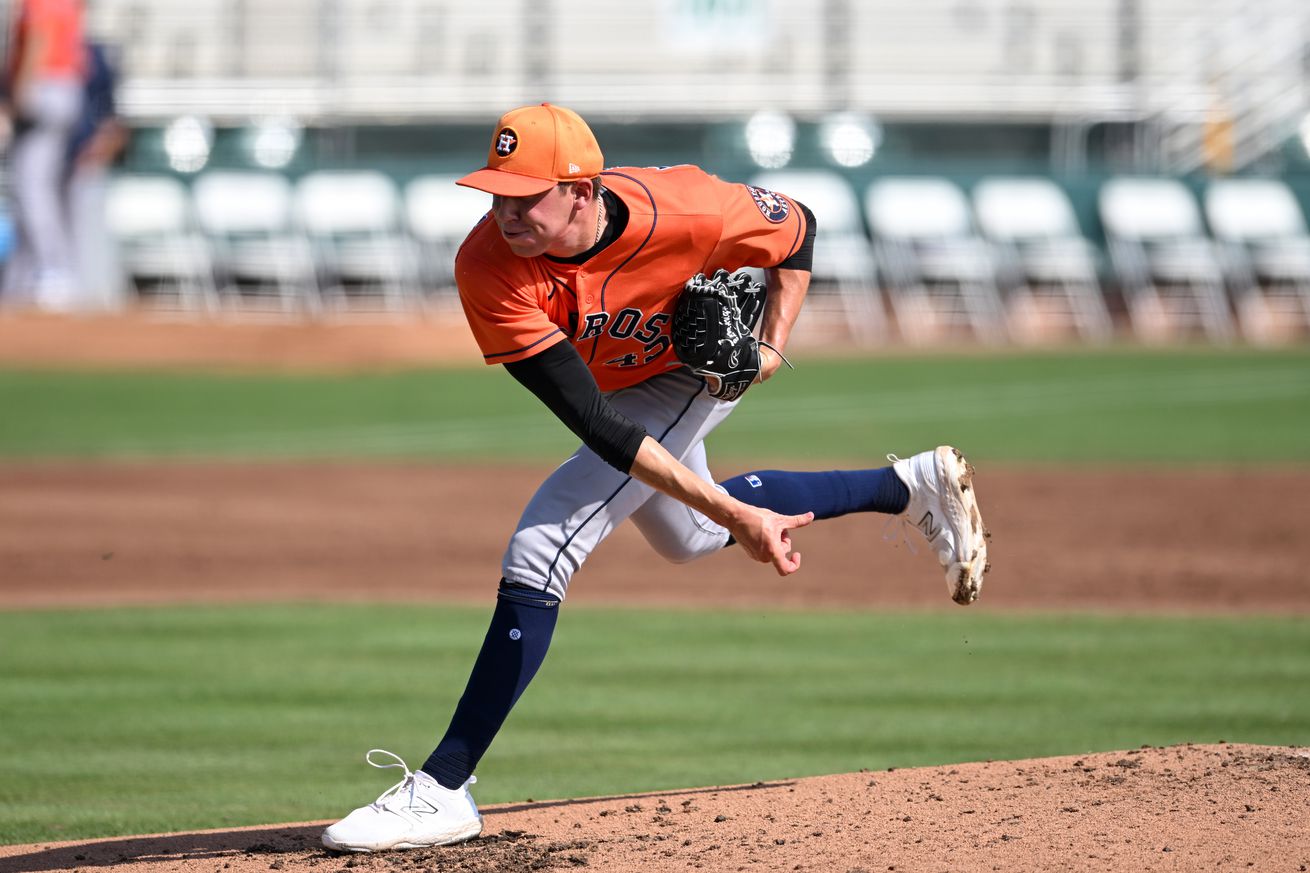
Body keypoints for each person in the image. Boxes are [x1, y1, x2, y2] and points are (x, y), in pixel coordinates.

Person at [321, 103, 990, 853]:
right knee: (693, 531)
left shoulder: (689, 208)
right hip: (614, 403)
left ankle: (444, 785)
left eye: (525, 194)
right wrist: (734, 514)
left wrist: (772, 347)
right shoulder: (486, 265)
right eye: (495, 192)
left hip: (689, 377)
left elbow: (797, 225)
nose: (504, 210)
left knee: (545, 545)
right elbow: (599, 426)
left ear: (581, 189)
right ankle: (907, 485)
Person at [1, 0, 85, 309]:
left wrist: (21, 91)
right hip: (62, 87)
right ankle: (30, 276)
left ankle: (53, 272)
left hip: (46, 86)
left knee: (31, 189)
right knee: (32, 189)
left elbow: (39, 38)